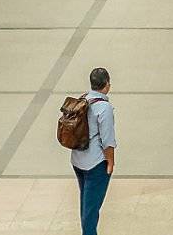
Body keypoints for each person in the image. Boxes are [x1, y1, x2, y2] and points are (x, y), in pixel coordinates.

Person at [69, 67, 118, 235]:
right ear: (107, 85)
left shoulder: (83, 100)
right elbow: (108, 140)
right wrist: (110, 163)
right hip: (95, 164)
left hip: (77, 160)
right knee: (91, 211)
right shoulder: (104, 108)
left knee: (86, 204)